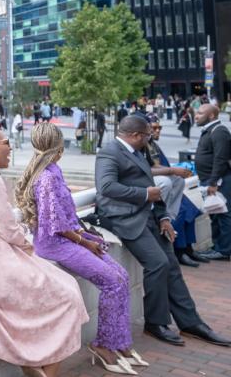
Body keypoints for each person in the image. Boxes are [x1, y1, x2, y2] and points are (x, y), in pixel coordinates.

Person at [0, 126, 87, 377]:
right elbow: (9, 231)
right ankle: (42, 367)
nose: (10, 148)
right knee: (68, 293)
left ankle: (33, 364)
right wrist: (28, 245)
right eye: (6, 143)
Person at [15, 123, 144, 374]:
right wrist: (85, 242)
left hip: (69, 238)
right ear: (59, 147)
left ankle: (119, 342)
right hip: (55, 244)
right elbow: (57, 225)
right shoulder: (48, 177)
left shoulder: (53, 170)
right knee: (112, 281)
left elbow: (66, 218)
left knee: (122, 276)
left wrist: (86, 237)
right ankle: (104, 346)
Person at [94, 115, 230, 347]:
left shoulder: (139, 151)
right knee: (158, 264)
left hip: (148, 216)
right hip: (123, 219)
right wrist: (145, 194)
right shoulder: (109, 152)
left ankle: (191, 323)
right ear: (136, 135)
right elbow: (106, 187)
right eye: (148, 134)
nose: (151, 137)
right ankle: (155, 323)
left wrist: (164, 217)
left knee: (172, 266)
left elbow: (153, 187)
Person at [145, 117, 208, 267]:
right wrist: (174, 170)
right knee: (181, 212)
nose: (157, 130)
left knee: (191, 210)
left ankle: (188, 248)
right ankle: (179, 251)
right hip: (159, 190)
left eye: (159, 127)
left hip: (172, 186)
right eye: (154, 128)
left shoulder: (154, 146)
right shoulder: (143, 146)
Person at [191, 104, 231, 261]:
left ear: (212, 116)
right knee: (215, 214)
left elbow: (220, 158)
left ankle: (224, 250)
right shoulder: (209, 129)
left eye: (200, 113)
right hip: (210, 179)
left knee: (224, 215)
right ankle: (217, 246)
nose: (196, 115)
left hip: (218, 180)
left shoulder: (219, 131)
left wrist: (213, 181)